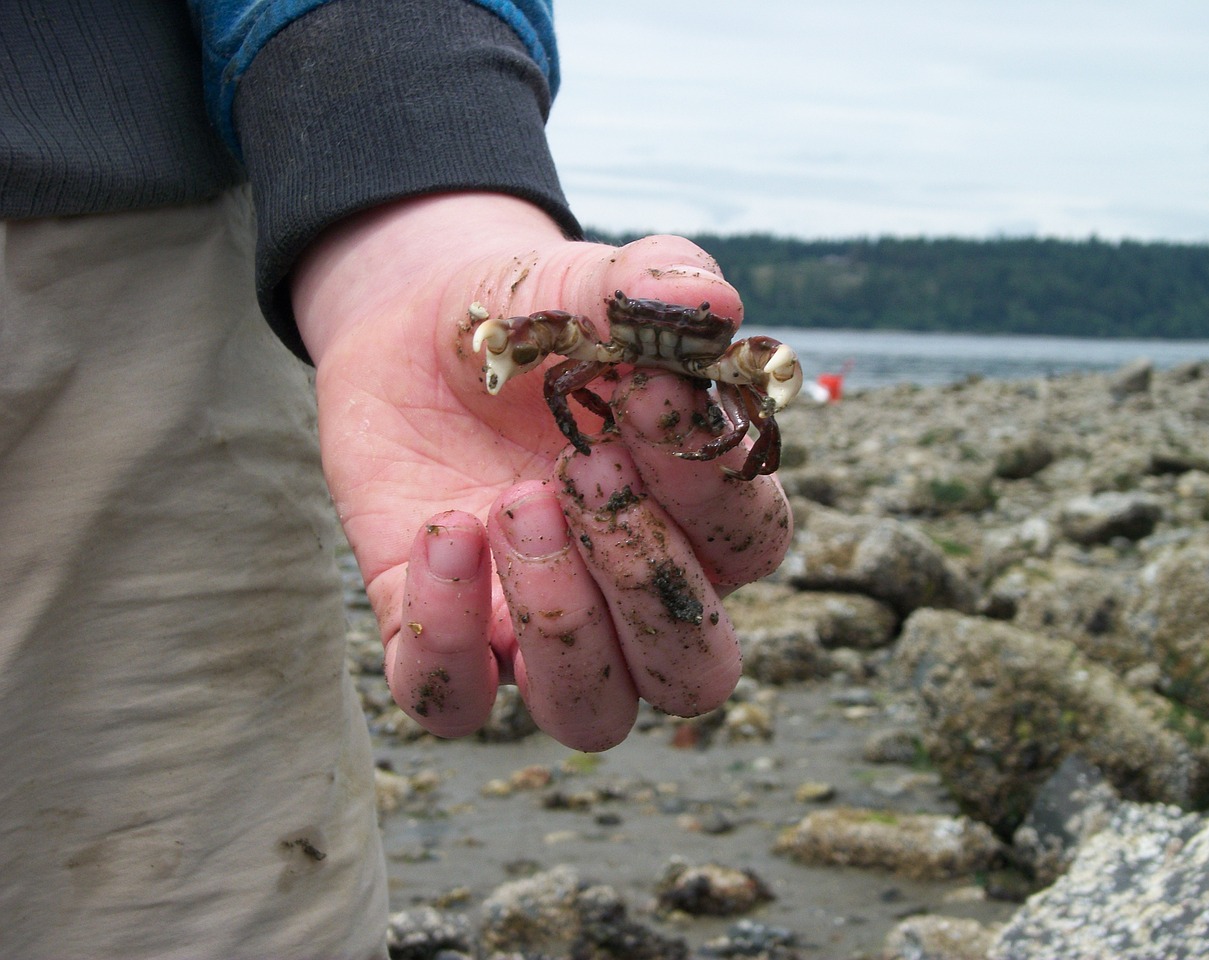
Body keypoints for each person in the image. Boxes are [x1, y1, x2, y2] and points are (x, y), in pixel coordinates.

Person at [0, 1, 792, 958]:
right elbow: (568, 363)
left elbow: (760, 385)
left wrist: (413, 210)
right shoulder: (590, 352)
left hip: (103, 246)